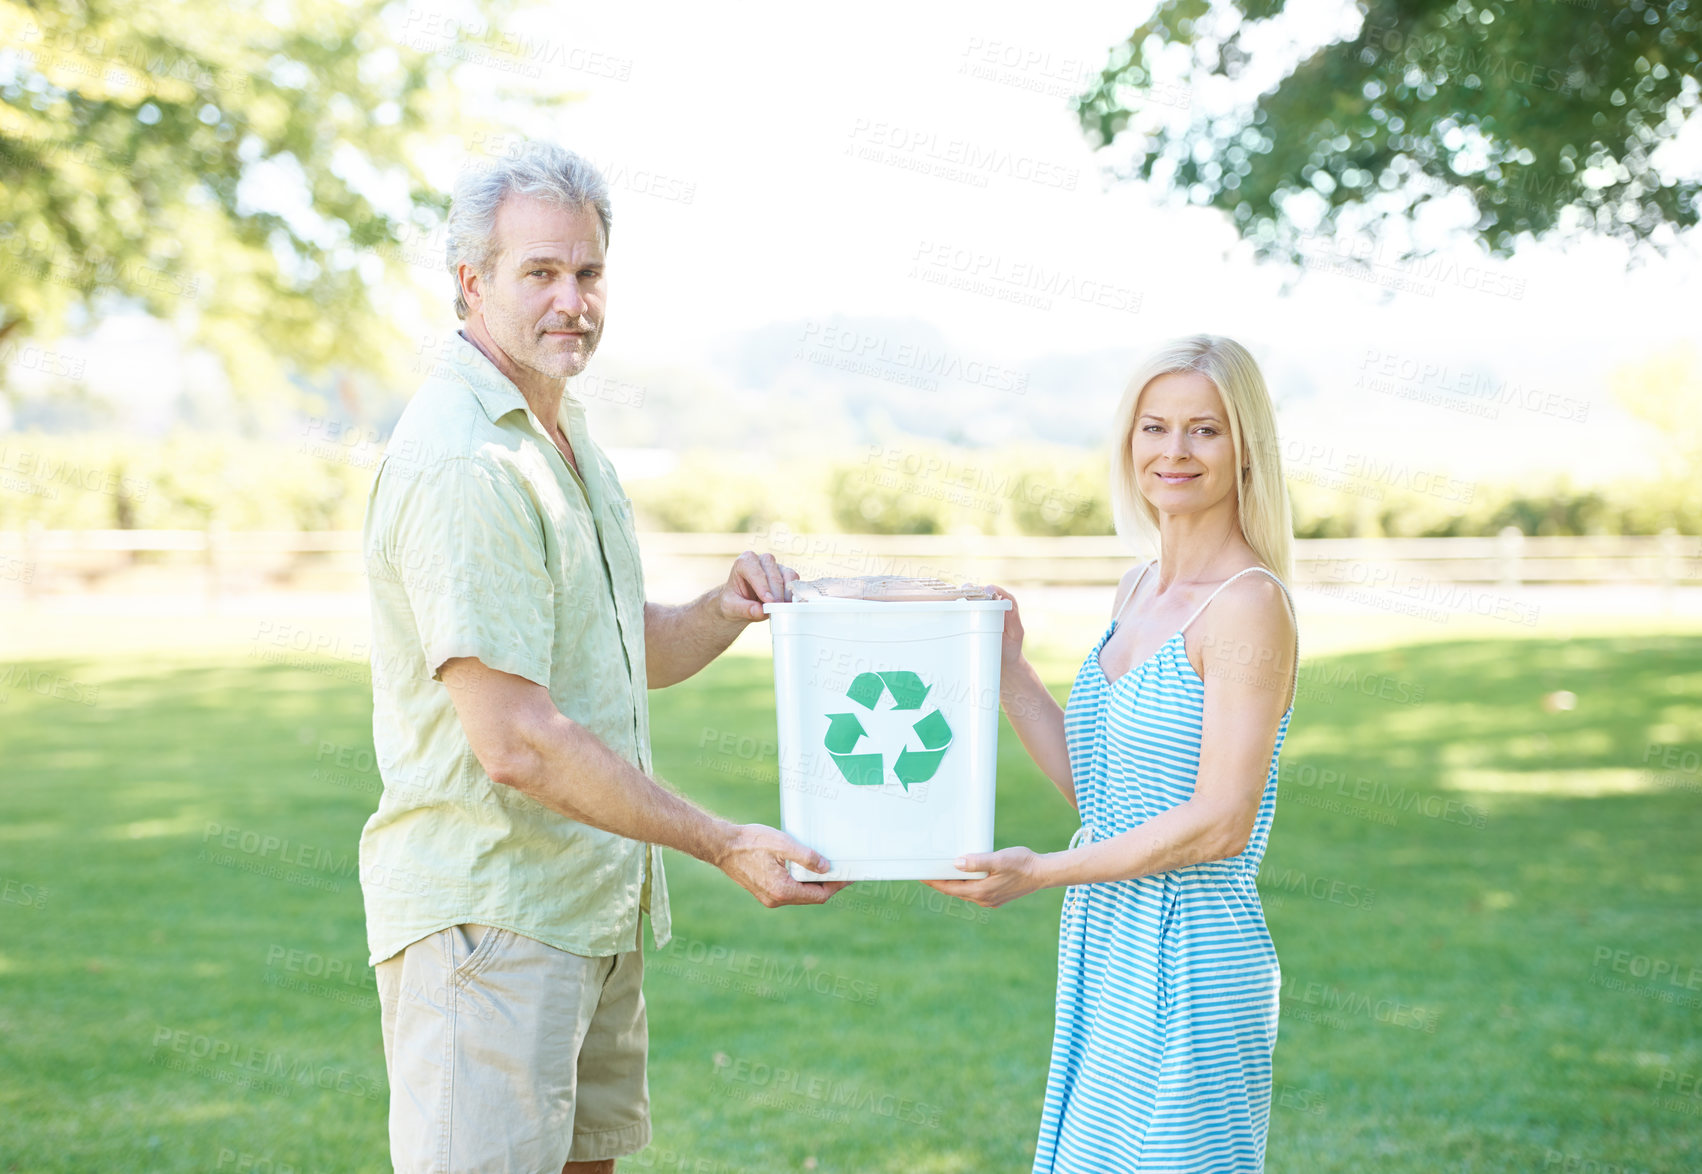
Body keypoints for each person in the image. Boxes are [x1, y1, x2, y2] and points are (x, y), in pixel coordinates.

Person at [359, 141, 842, 1174]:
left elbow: (616, 655)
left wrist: (719, 610)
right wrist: (720, 841)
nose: (570, 299)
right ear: (470, 283)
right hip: (489, 926)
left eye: (587, 271)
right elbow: (518, 743)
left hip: (584, 912)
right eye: (539, 272)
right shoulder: (467, 462)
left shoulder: (558, 435)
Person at [926, 335, 1299, 1173]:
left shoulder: (1249, 607)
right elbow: (1103, 790)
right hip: (1107, 942)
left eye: (1204, 430)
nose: (1174, 451)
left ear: (1245, 451)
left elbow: (1221, 823)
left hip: (1196, 952)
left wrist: (1041, 873)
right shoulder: (1137, 589)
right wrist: (1011, 667)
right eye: (1154, 427)